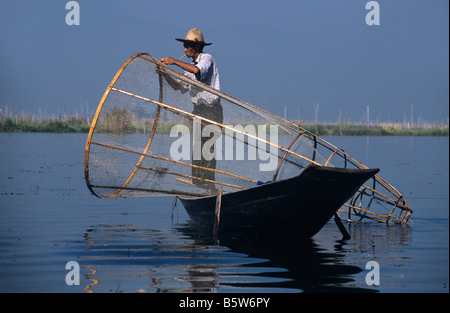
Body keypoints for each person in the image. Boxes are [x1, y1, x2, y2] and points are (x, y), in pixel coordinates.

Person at [160, 28, 223, 192]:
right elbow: (178, 87)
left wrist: (174, 61)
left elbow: (197, 71)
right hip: (199, 110)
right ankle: (202, 184)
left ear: (196, 46)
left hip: (212, 110)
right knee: (198, 149)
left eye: (187, 45)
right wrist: (164, 73)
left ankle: (211, 186)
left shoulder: (206, 59)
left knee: (208, 148)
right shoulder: (188, 68)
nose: (184, 49)